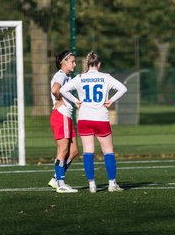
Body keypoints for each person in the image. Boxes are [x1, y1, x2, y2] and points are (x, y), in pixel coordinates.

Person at [60, 51, 127, 193]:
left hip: (84, 118)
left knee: (88, 152)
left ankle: (92, 184)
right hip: (101, 118)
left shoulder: (80, 77)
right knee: (108, 151)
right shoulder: (105, 77)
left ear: (87, 63)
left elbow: (63, 90)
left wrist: (76, 100)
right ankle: (112, 184)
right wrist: (111, 100)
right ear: (99, 64)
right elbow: (123, 88)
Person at [49, 50, 79, 193]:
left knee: (73, 151)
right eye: (72, 61)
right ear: (64, 62)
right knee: (63, 150)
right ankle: (60, 184)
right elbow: (55, 90)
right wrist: (60, 100)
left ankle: (56, 178)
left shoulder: (66, 76)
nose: (74, 63)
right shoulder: (60, 75)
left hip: (66, 117)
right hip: (61, 115)